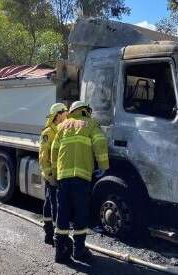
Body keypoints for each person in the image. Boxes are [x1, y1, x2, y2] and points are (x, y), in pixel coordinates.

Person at [51, 101, 109, 262]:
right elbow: (100, 143)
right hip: (82, 177)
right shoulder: (90, 124)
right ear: (86, 111)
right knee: (81, 212)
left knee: (62, 212)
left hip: (63, 178)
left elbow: (54, 152)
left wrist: (55, 173)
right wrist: (104, 165)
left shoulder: (63, 126)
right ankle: (79, 250)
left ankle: (60, 250)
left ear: (71, 112)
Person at [39, 103, 68, 245]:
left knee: (50, 203)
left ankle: (50, 235)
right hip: (51, 175)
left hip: (58, 174)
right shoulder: (48, 132)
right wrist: (49, 175)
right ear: (57, 115)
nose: (67, 114)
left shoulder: (61, 129)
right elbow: (43, 156)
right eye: (64, 112)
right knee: (53, 205)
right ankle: (53, 235)